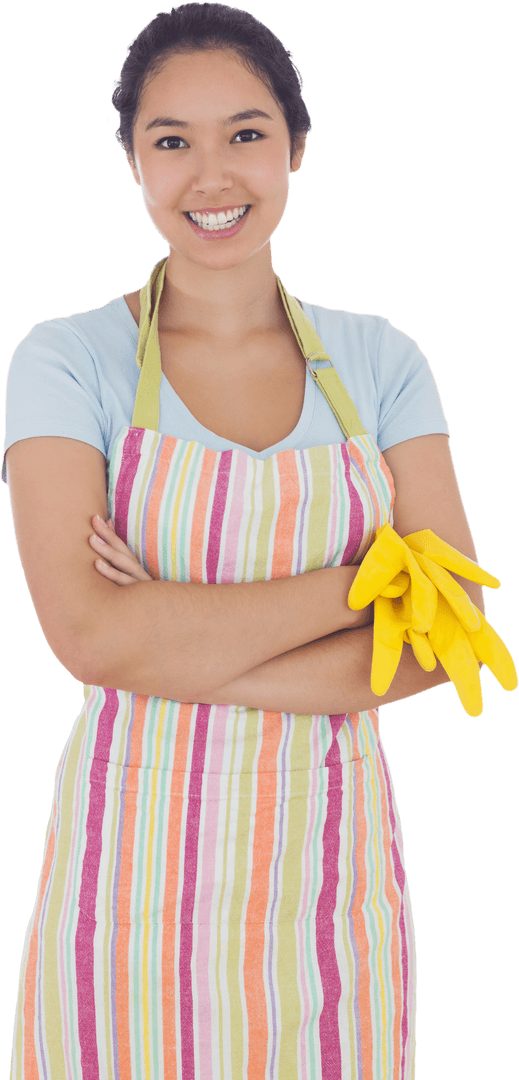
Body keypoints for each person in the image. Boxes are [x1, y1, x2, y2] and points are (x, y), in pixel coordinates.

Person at [3, 4, 511, 1077]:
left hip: (328, 888)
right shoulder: (67, 360)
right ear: (132, 161)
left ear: (297, 147)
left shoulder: (382, 360)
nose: (211, 175)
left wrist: (171, 644)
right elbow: (89, 639)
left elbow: (452, 629)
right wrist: (362, 583)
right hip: (127, 880)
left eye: (245, 133)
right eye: (171, 141)